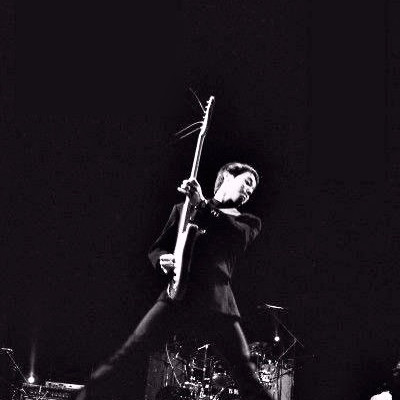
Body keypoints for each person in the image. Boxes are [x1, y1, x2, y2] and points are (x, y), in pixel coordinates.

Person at [76, 162, 272, 400]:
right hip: (177, 294)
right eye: (247, 183)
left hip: (216, 301)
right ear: (228, 176)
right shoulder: (183, 209)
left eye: (252, 189)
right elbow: (157, 249)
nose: (249, 191)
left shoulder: (247, 221)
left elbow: (235, 237)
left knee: (246, 374)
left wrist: (202, 205)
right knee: (129, 354)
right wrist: (162, 259)